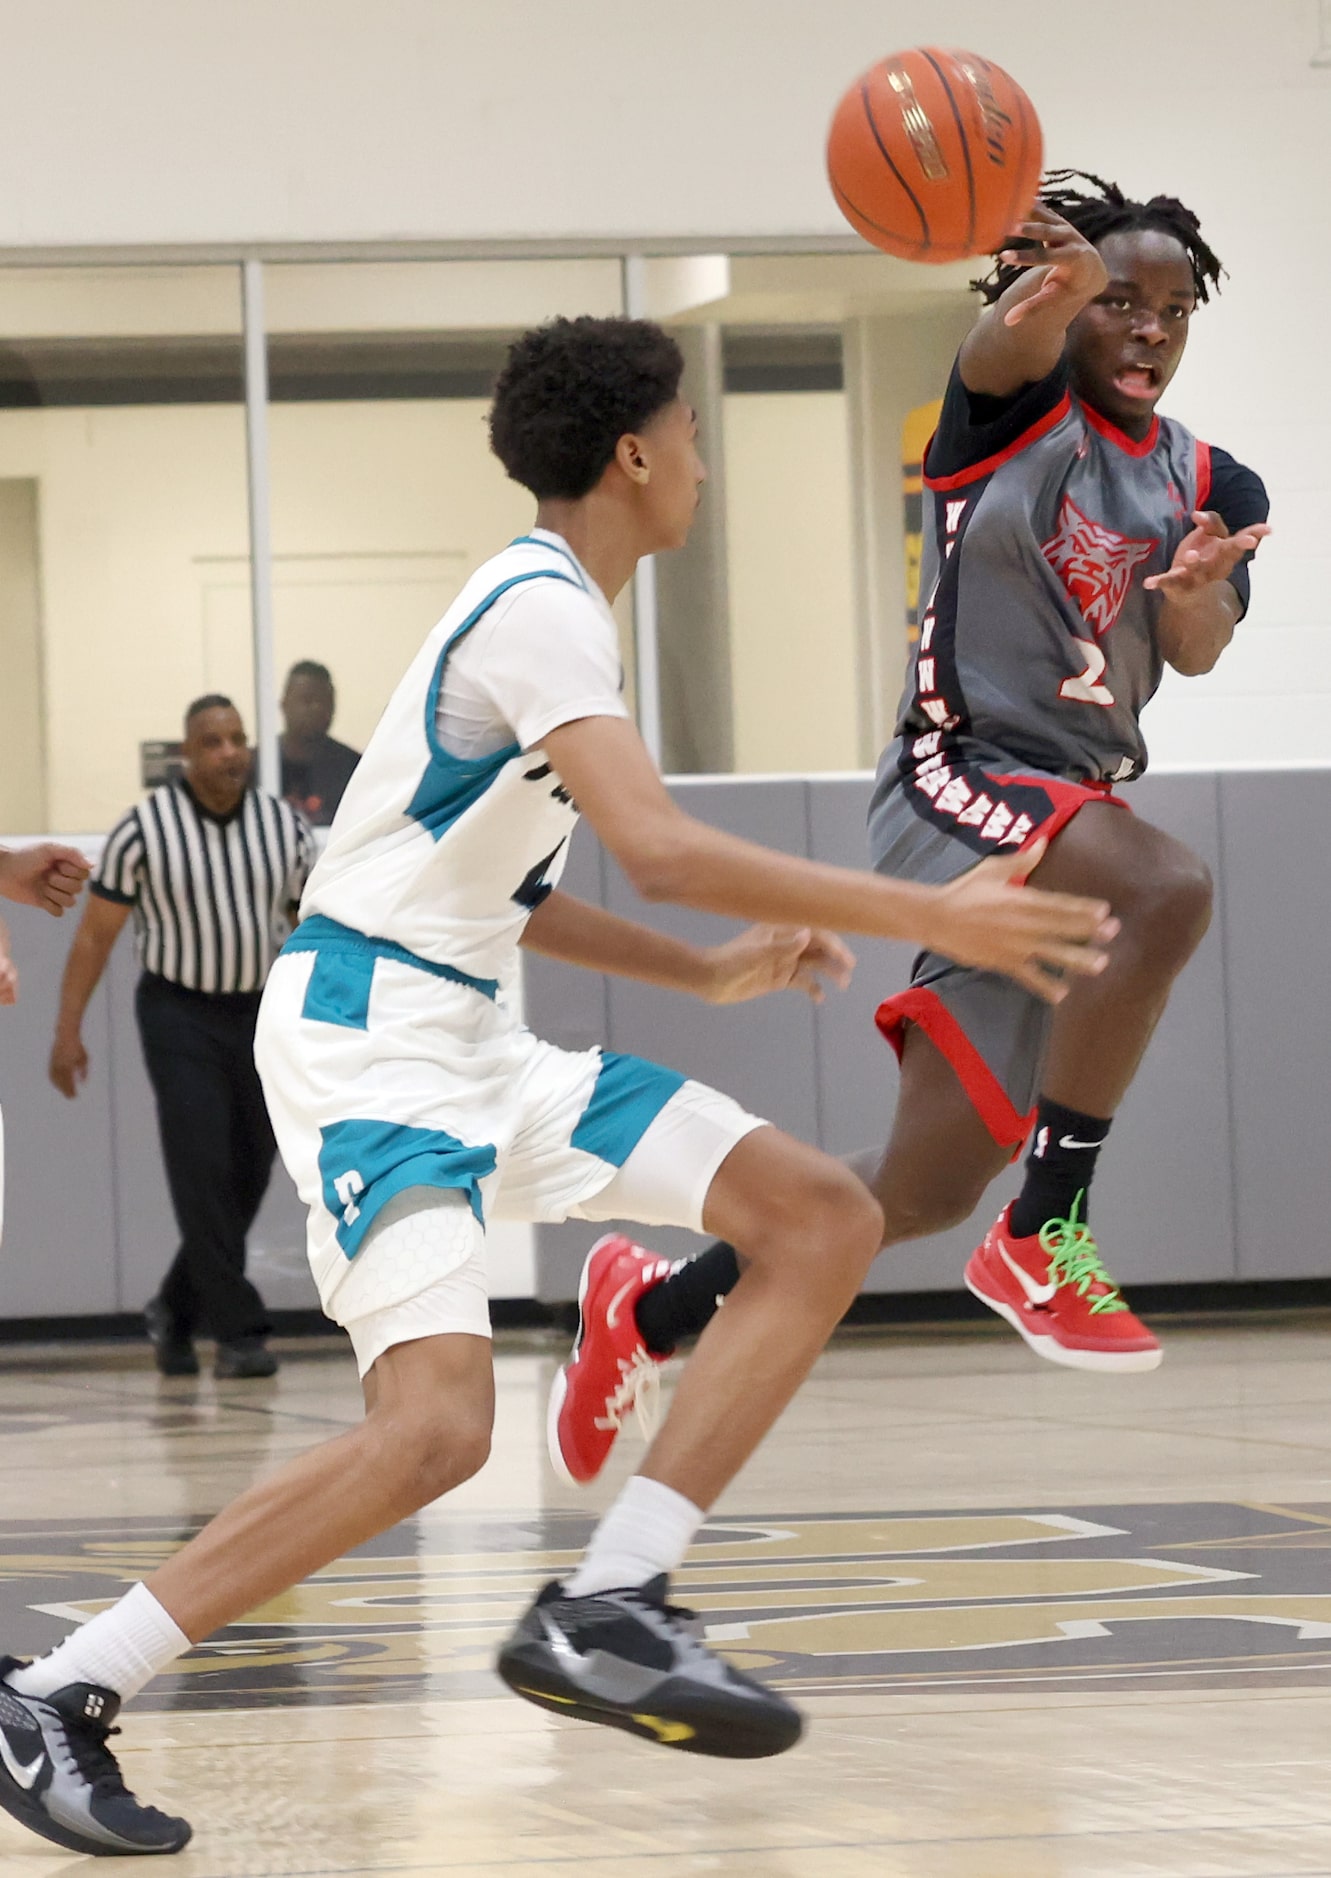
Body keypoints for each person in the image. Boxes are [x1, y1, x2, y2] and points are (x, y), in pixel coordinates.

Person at [0, 315, 1116, 1856]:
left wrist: (709, 970)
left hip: (473, 1030)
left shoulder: (556, 615)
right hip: (369, 1039)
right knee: (435, 1428)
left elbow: (513, 891)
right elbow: (653, 843)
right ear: (635, 453)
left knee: (817, 1213)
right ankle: (61, 1687)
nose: (708, 464)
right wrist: (934, 909)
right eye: (696, 434)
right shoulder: (537, 610)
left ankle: (612, 1596)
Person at [550, 171, 1272, 1494]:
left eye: (1171, 308)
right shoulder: (1004, 405)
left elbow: (1194, 648)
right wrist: (1041, 283)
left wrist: (1192, 598)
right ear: (1065, 304)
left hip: (1068, 809)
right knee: (1164, 889)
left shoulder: (1211, 480)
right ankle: (1045, 1226)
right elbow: (1004, 336)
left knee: (920, 1184)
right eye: (1117, 299)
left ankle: (648, 1305)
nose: (1147, 328)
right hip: (960, 771)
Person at [48, 696, 314, 1383]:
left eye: (237, 739)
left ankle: (172, 1306)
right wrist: (66, 1033)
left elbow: (312, 927)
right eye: (212, 741)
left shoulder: (283, 828)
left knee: (250, 1170)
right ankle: (238, 1334)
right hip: (179, 1014)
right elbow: (95, 936)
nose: (229, 751)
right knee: (202, 1168)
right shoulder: (143, 830)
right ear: (187, 755)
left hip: (260, 1011)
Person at [280, 659, 361, 825]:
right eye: (307, 700)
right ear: (284, 704)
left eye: (324, 701)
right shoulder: (258, 765)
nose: (316, 708)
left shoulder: (353, 767)